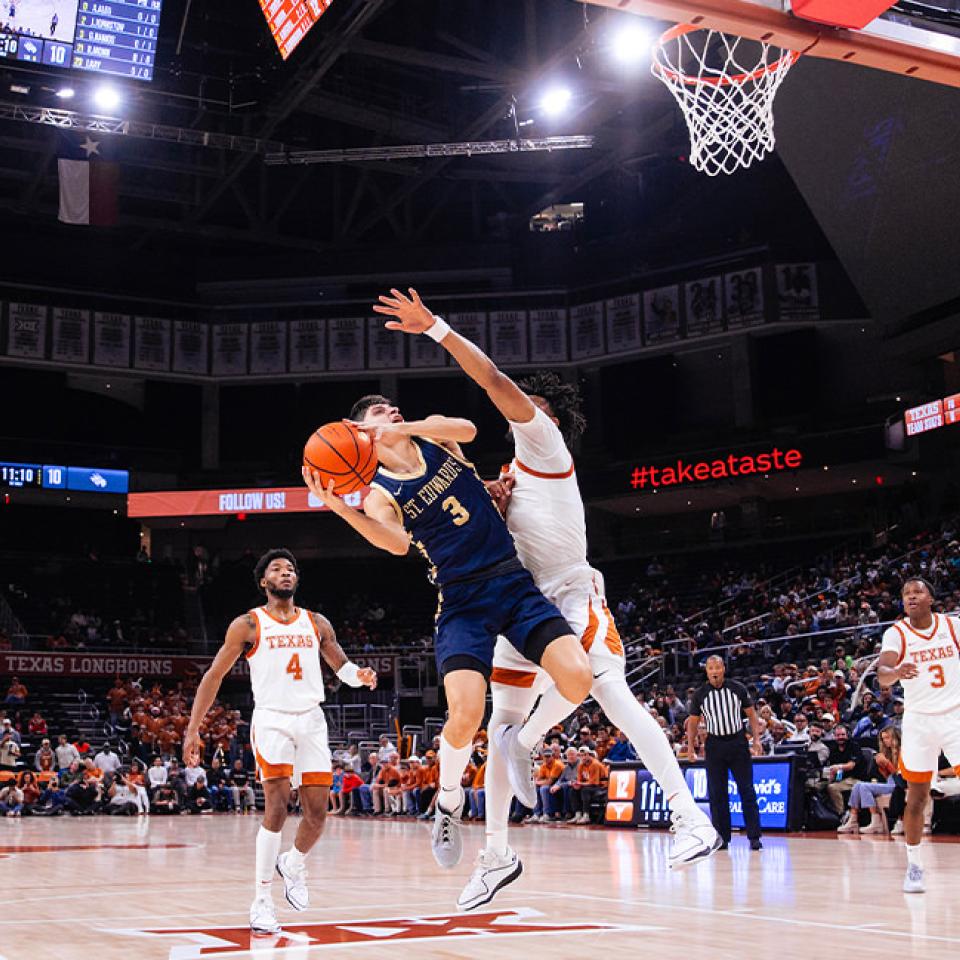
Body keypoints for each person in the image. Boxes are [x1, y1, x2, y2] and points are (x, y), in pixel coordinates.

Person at [367, 291, 718, 909]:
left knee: (609, 693)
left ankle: (690, 819)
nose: (522, 413)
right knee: (496, 723)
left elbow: (496, 384)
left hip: (572, 596)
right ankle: (496, 855)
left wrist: (438, 330)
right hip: (512, 599)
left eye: (533, 409)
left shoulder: (548, 452)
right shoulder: (502, 479)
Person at [303, 373, 592, 874]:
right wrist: (335, 504)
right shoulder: (378, 493)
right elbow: (394, 544)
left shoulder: (433, 437)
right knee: (464, 715)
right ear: (356, 430)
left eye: (393, 408)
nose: (392, 412)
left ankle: (519, 743)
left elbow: (469, 429)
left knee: (578, 679)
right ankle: (449, 802)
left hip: (512, 581)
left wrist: (404, 428)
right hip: (461, 601)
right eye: (380, 413)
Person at [183, 548, 376, 935]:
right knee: (276, 804)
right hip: (272, 718)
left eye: (290, 569)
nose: (285, 573)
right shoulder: (248, 625)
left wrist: (362, 676)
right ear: (263, 582)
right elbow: (213, 676)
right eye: (276, 569)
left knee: (318, 814)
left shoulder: (315, 622)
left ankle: (294, 862)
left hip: (312, 721)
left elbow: (341, 664)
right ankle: (261, 900)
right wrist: (193, 728)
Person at [876, 578, 960, 893]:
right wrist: (897, 672)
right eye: (906, 594)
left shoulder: (951, 627)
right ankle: (914, 866)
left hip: (955, 714)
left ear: (931, 598)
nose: (912, 597)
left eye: (918, 592)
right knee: (917, 796)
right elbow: (883, 675)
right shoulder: (896, 634)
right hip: (918, 721)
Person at [686, 656, 763, 851]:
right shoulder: (700, 694)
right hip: (714, 745)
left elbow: (752, 715)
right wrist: (690, 747)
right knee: (717, 794)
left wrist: (757, 740)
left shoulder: (737, 688)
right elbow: (693, 722)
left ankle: (754, 837)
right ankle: (722, 837)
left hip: (737, 742)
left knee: (747, 791)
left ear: (723, 669)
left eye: (717, 667)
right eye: (710, 668)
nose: (714, 671)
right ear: (707, 671)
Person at [839, 726, 900, 835]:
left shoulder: (902, 752)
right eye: (883, 738)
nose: (885, 741)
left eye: (887, 738)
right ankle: (853, 820)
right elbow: (888, 776)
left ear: (895, 738)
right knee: (858, 785)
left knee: (863, 786)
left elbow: (899, 775)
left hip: (899, 785)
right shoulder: (887, 752)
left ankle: (876, 822)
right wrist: (881, 767)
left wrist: (887, 764)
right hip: (889, 783)